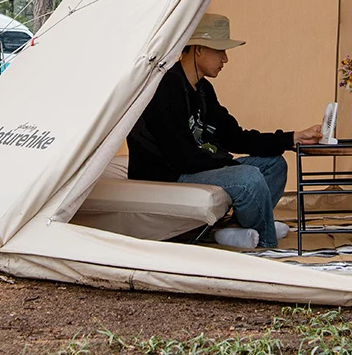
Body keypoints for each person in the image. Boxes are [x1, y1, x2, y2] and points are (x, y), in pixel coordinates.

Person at [127, 13, 322, 249]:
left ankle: (235, 230)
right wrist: (231, 166)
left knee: (274, 164)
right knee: (248, 177)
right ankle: (266, 242)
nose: (226, 59)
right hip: (169, 174)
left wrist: (291, 138)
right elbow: (181, 157)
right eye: (220, 51)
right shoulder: (164, 88)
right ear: (198, 49)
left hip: (196, 166)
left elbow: (235, 137)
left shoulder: (203, 90)